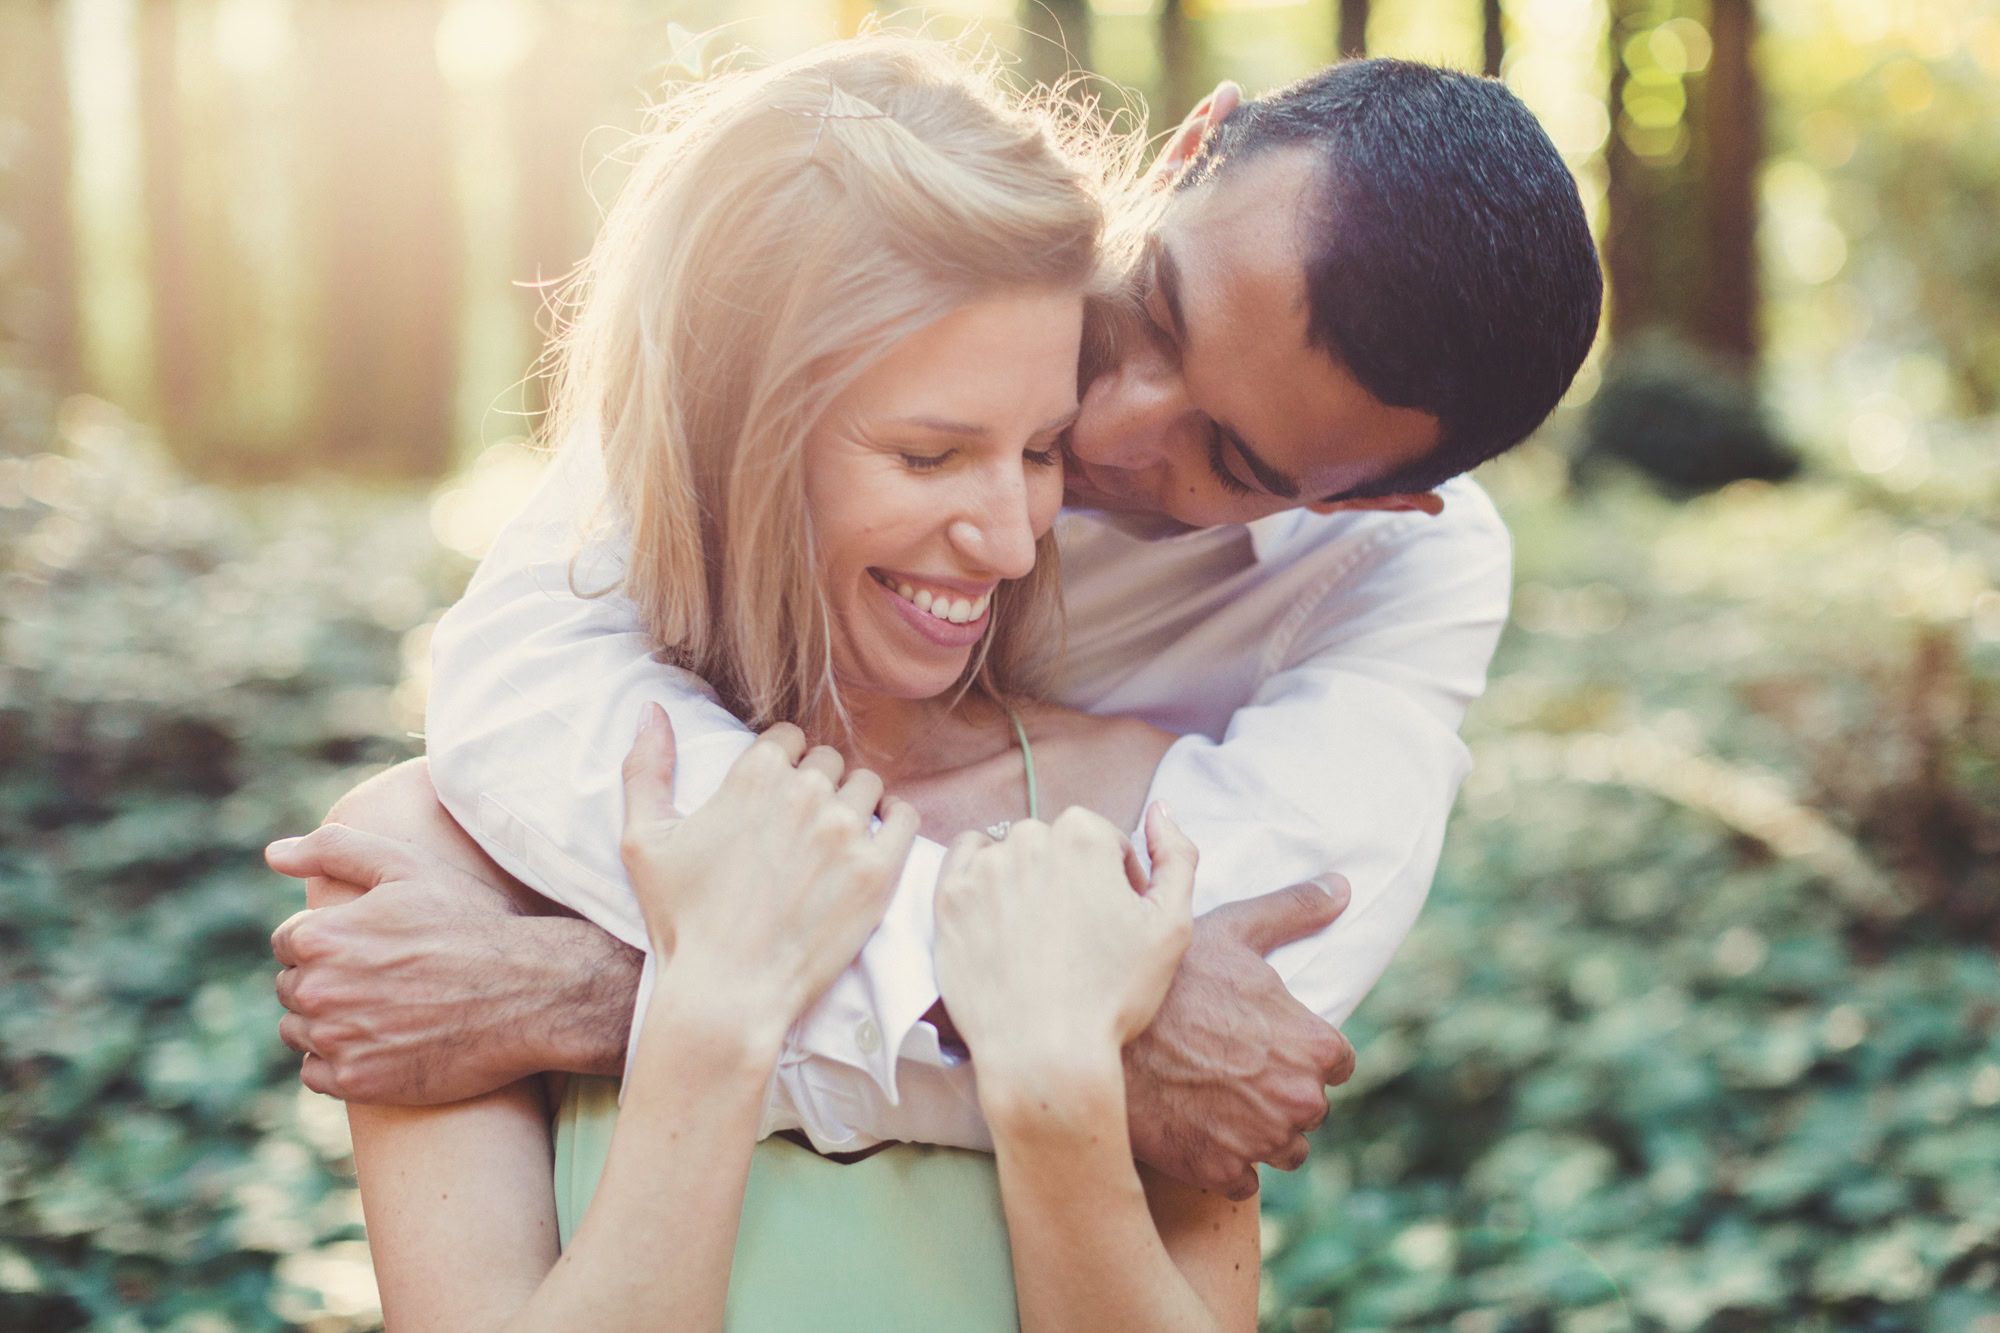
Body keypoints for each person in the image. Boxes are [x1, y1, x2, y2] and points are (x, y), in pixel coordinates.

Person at [271, 53, 1603, 1197]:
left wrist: (571, 994)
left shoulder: (1401, 582)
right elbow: (528, 701)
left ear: (1381, 499)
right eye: (1156, 310)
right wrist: (1063, 1034)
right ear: (1191, 146)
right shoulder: (893, 235)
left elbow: (1235, 1050)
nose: (1119, 422)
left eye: (1235, 460)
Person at [269, 36, 1265, 1329]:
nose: (1015, 542)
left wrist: (1060, 1092)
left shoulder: (1136, 818)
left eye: (1037, 449)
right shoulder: (435, 872)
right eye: (928, 454)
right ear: (733, 441)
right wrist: (711, 1012)